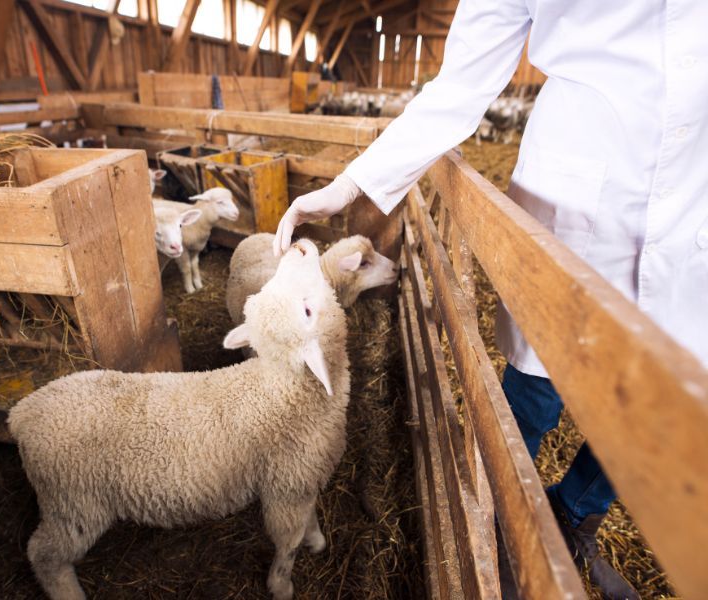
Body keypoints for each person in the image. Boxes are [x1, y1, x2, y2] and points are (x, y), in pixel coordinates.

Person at [273, 1, 708, 598]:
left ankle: (576, 515)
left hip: (693, 199)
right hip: (579, 193)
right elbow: (462, 81)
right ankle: (505, 530)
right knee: (536, 388)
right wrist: (353, 182)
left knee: (660, 406)